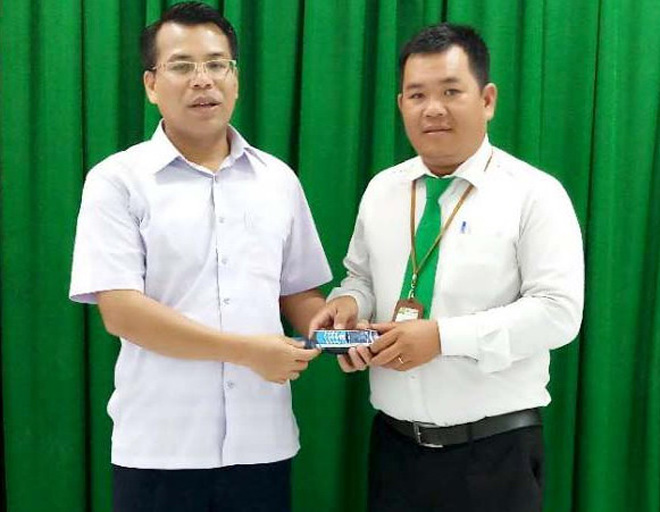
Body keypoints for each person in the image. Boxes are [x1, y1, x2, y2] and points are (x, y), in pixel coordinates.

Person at [309, 23, 584, 512]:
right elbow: (361, 277)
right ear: (401, 105)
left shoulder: (535, 194)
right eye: (417, 95)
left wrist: (440, 338)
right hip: (394, 450)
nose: (432, 108)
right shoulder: (383, 189)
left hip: (494, 454)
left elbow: (557, 313)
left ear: (487, 100)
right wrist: (347, 304)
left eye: (451, 92)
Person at [69, 3, 331, 511]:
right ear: (151, 85)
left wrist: (331, 326)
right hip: (160, 448)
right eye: (182, 66)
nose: (202, 80)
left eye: (216, 64)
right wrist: (248, 351)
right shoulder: (117, 180)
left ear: (236, 79)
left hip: (262, 443)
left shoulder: (278, 180)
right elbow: (121, 312)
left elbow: (298, 291)